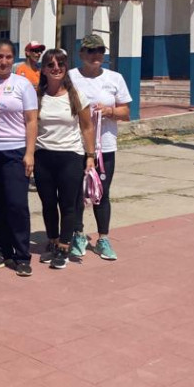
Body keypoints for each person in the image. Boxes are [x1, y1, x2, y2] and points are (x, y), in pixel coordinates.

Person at [68, 34, 132, 262]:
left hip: (105, 146)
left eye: (100, 51)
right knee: (76, 193)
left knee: (101, 193)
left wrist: (110, 111)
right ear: (81, 54)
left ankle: (103, 237)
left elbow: (126, 112)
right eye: (91, 51)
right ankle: (77, 234)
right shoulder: (70, 77)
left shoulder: (115, 78)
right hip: (75, 145)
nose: (96, 55)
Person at [0, 39, 38, 276]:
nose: (3, 62)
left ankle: (22, 255)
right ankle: (2, 250)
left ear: (14, 60)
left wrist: (30, 153)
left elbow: (32, 120)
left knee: (17, 204)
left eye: (8, 57)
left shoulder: (23, 84)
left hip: (15, 151)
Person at [33, 49, 94, 270]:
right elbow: (29, 126)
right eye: (51, 64)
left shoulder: (76, 95)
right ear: (44, 69)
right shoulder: (37, 95)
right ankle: (53, 241)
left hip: (71, 156)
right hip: (43, 156)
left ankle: (64, 247)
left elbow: (87, 127)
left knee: (68, 204)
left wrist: (90, 156)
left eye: (60, 64)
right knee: (48, 203)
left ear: (66, 67)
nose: (56, 68)